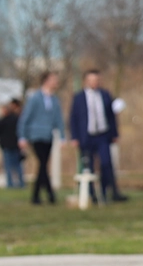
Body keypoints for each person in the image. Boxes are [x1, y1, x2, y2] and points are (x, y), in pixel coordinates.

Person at [70, 68, 127, 203]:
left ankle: (104, 192)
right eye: (91, 80)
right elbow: (73, 118)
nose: (94, 82)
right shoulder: (79, 97)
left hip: (102, 135)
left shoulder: (105, 95)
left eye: (96, 80)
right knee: (87, 167)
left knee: (106, 163)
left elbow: (111, 116)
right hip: (86, 136)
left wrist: (114, 134)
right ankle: (91, 194)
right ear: (86, 81)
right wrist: (74, 137)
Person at [17, 71, 66, 205]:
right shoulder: (35, 98)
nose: (56, 82)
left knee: (43, 165)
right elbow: (25, 118)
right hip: (36, 135)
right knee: (43, 163)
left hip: (48, 136)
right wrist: (22, 136)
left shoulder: (55, 100)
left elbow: (59, 120)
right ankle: (49, 195)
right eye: (53, 80)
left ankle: (38, 195)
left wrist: (62, 137)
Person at [0, 98, 25, 189]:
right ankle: (21, 183)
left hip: (6, 145)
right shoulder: (17, 119)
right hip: (16, 145)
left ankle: (10, 184)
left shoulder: (4, 120)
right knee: (18, 165)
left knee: (8, 166)